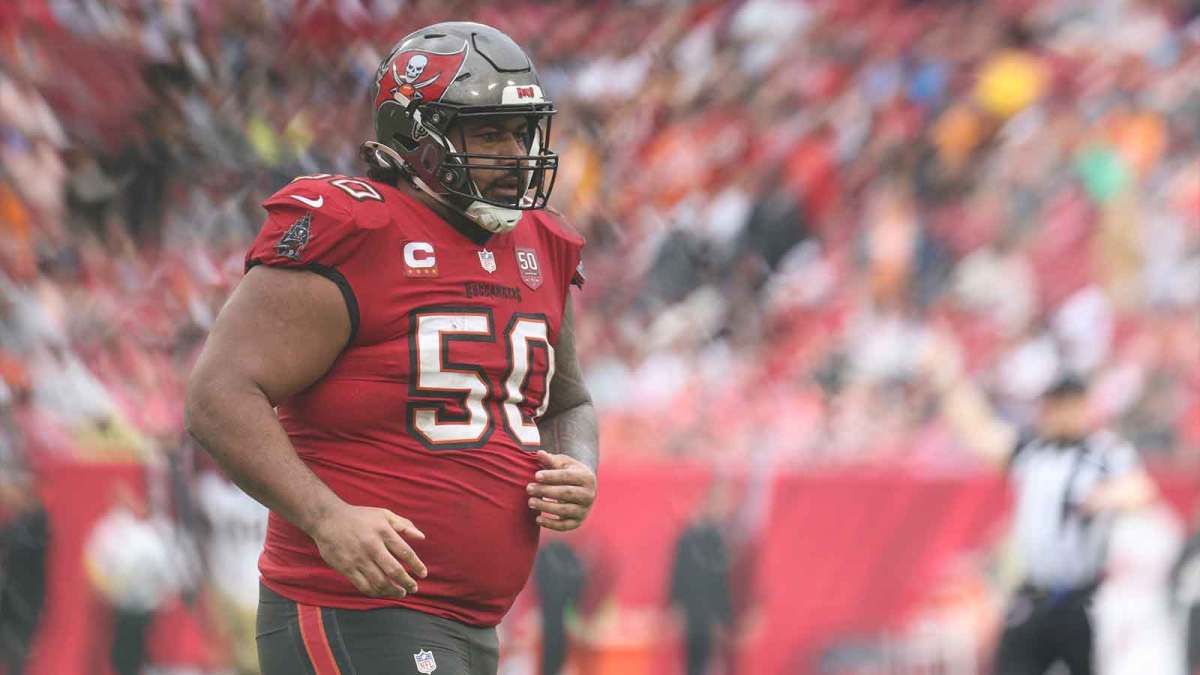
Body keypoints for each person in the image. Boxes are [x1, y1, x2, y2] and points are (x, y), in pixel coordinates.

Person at [185, 22, 599, 675]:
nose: (515, 153)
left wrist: (579, 465)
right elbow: (217, 396)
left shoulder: (540, 246)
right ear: (417, 135)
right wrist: (326, 516)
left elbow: (567, 396)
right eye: (488, 132)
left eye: (521, 131)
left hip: (470, 622)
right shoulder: (356, 232)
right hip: (352, 604)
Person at [936, 371, 1157, 675]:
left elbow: (1139, 490)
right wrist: (947, 379)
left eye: (1071, 405)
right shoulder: (1032, 451)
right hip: (1034, 594)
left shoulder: (1103, 452)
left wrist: (1099, 497)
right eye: (1056, 406)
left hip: (1081, 599)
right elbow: (983, 435)